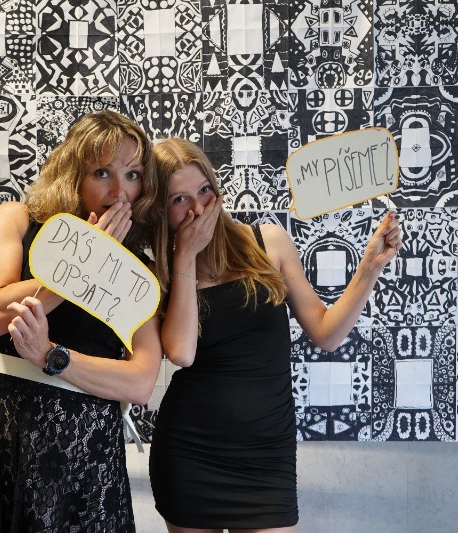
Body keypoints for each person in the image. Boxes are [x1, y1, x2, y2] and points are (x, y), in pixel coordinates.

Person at [148, 138, 402, 533]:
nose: (198, 208)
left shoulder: (267, 242)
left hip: (268, 454)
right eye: (179, 199)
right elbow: (181, 353)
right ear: (160, 208)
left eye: (204, 190)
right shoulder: (159, 271)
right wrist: (185, 256)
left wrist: (369, 267)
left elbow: (326, 333)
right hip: (190, 452)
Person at [0, 110, 164, 532]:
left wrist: (52, 356)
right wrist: (85, 260)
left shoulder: (138, 271)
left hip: (84, 449)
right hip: (0, 429)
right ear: (73, 175)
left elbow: (140, 383)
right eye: (102, 172)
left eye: (132, 175)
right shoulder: (18, 219)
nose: (119, 191)